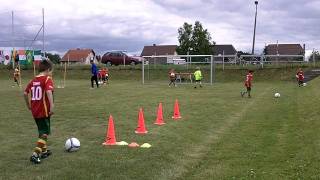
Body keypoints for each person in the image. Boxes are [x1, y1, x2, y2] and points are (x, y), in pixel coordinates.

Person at [23, 60, 54, 164]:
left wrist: (28, 105)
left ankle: (44, 152)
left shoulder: (33, 80)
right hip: (43, 110)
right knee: (44, 133)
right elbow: (49, 92)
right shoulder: (47, 79)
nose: (51, 73)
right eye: (51, 71)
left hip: (35, 110)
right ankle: (35, 155)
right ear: (48, 69)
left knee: (41, 130)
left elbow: (25, 93)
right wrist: (52, 106)